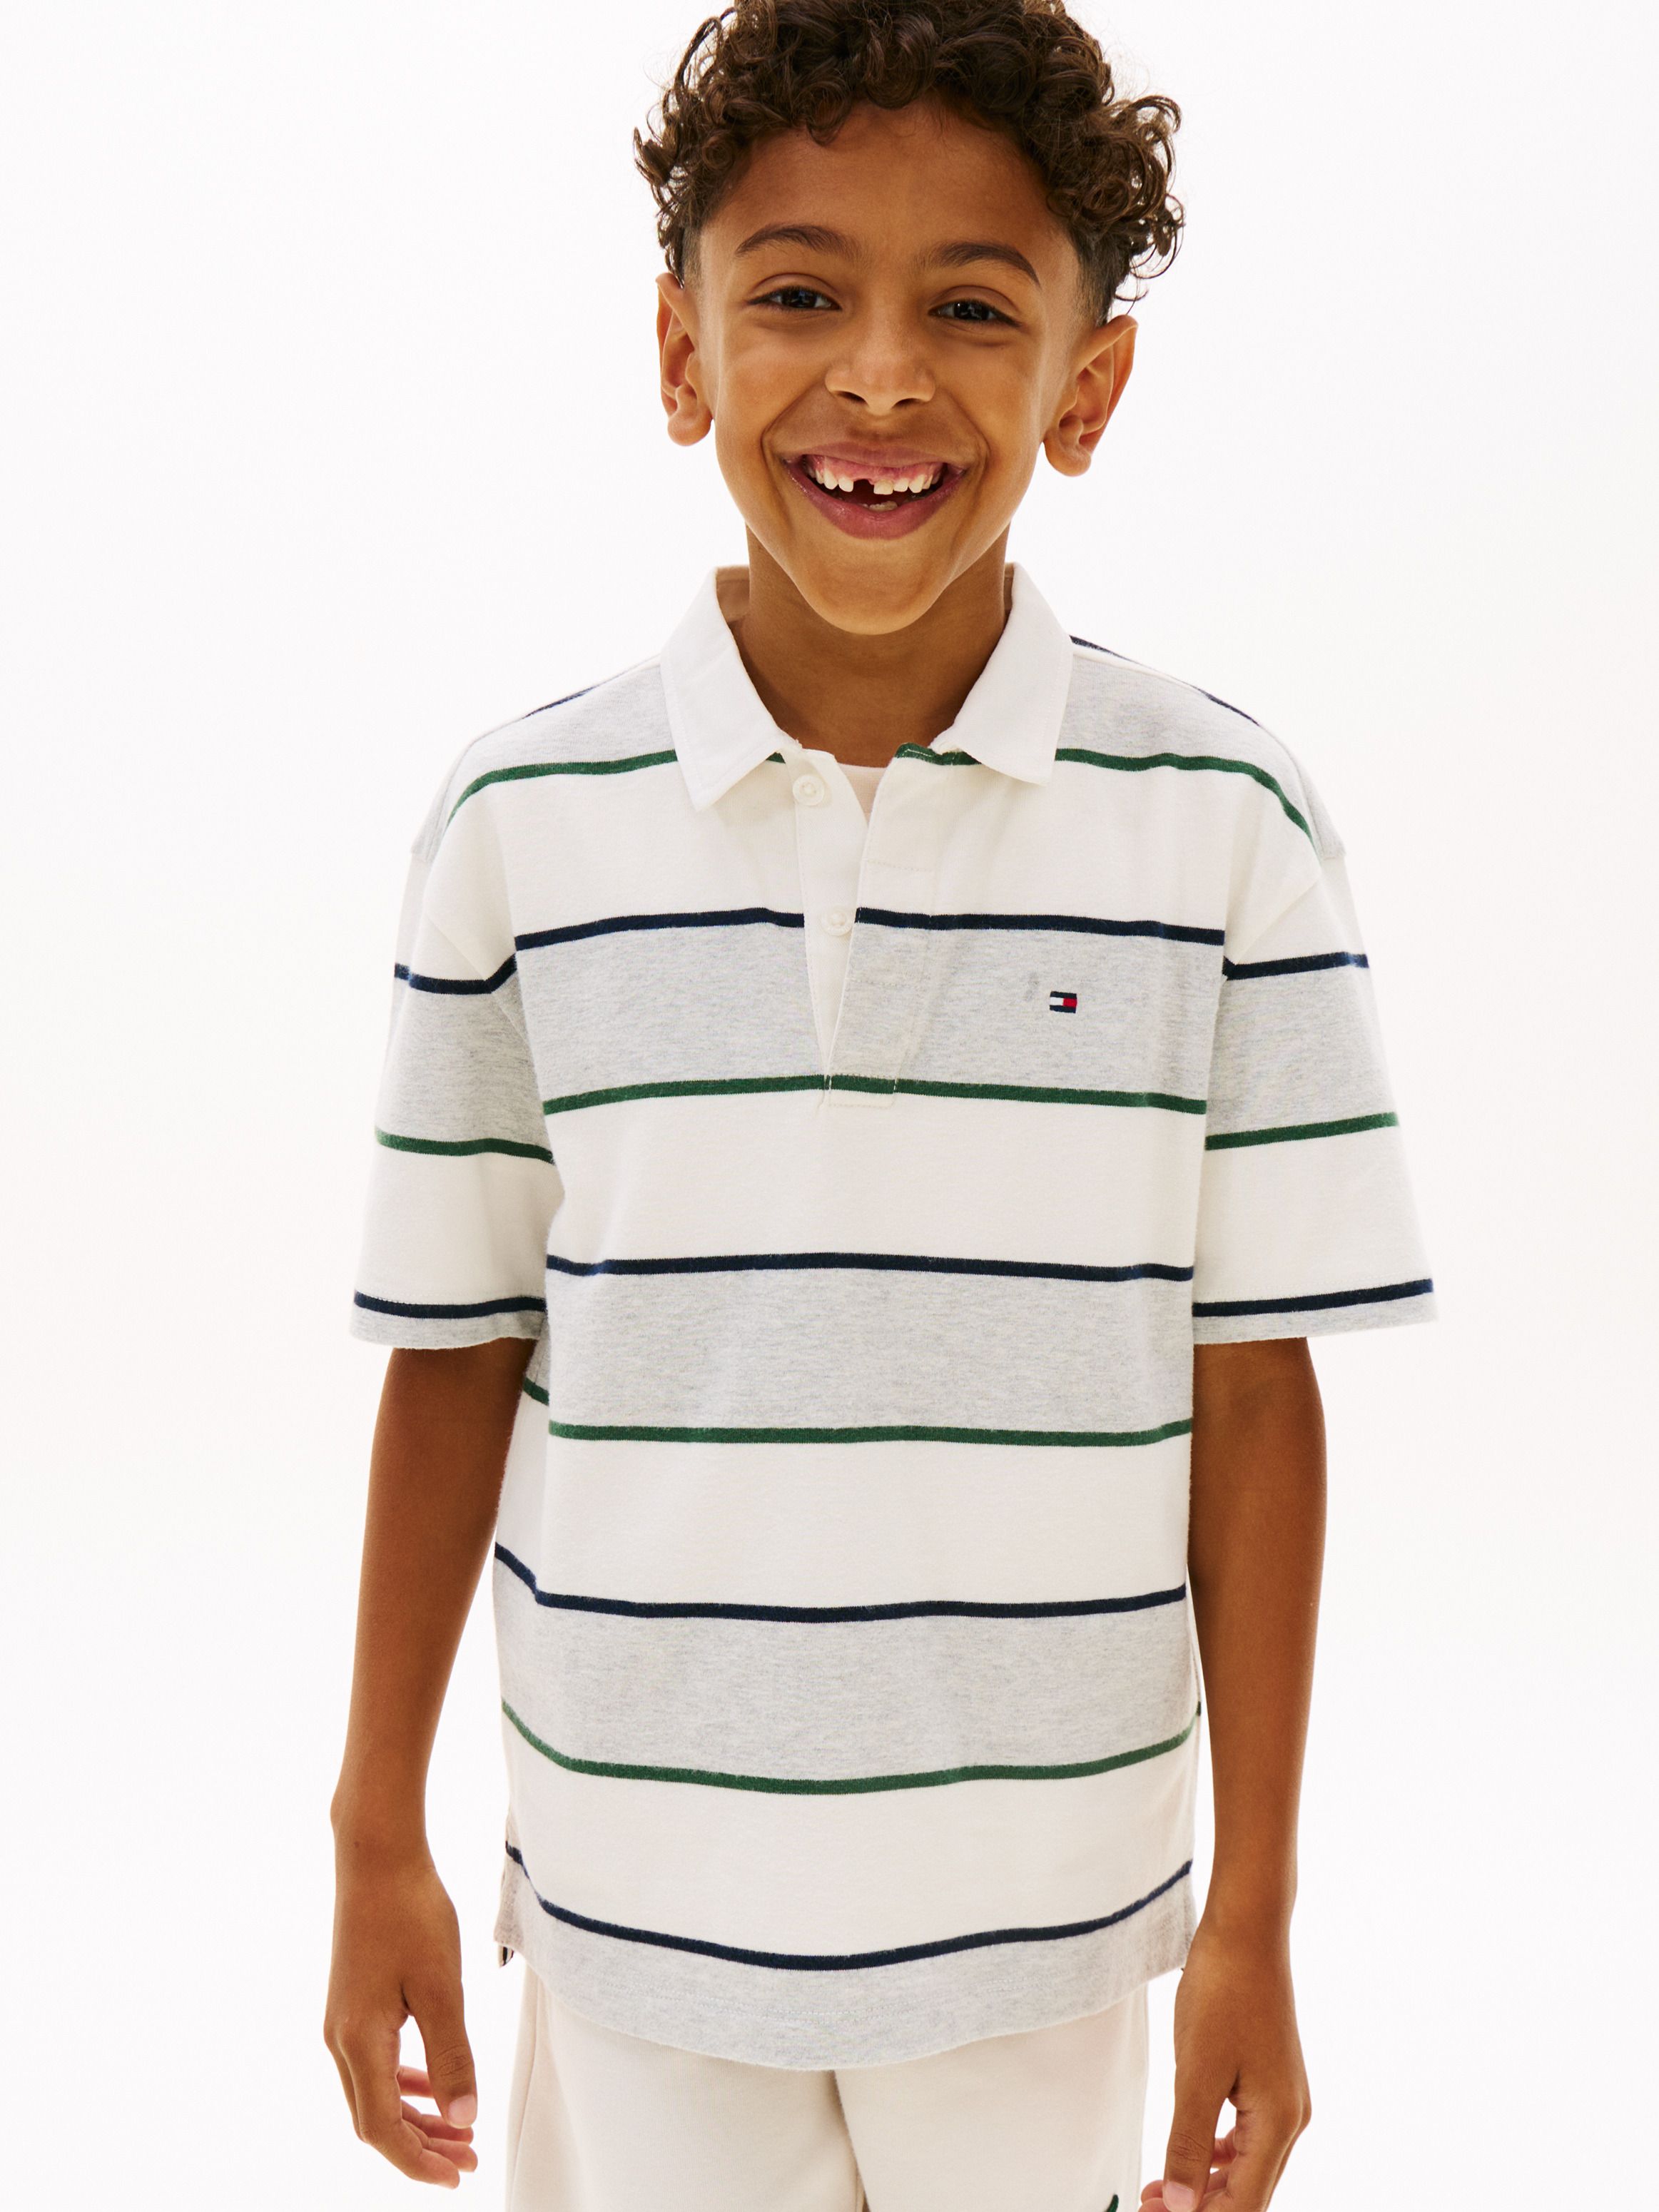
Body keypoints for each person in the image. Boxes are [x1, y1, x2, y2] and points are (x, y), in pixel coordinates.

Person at [324, 5, 1436, 2208]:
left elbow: (1255, 1394)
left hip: (1043, 1932)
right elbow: (454, 1354)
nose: (883, 376)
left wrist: (1256, 1913)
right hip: (639, 1912)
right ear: (682, 353)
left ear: (1087, 388)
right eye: (801, 293)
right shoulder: (520, 827)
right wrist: (376, 1834)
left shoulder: (1221, 828)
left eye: (975, 309)